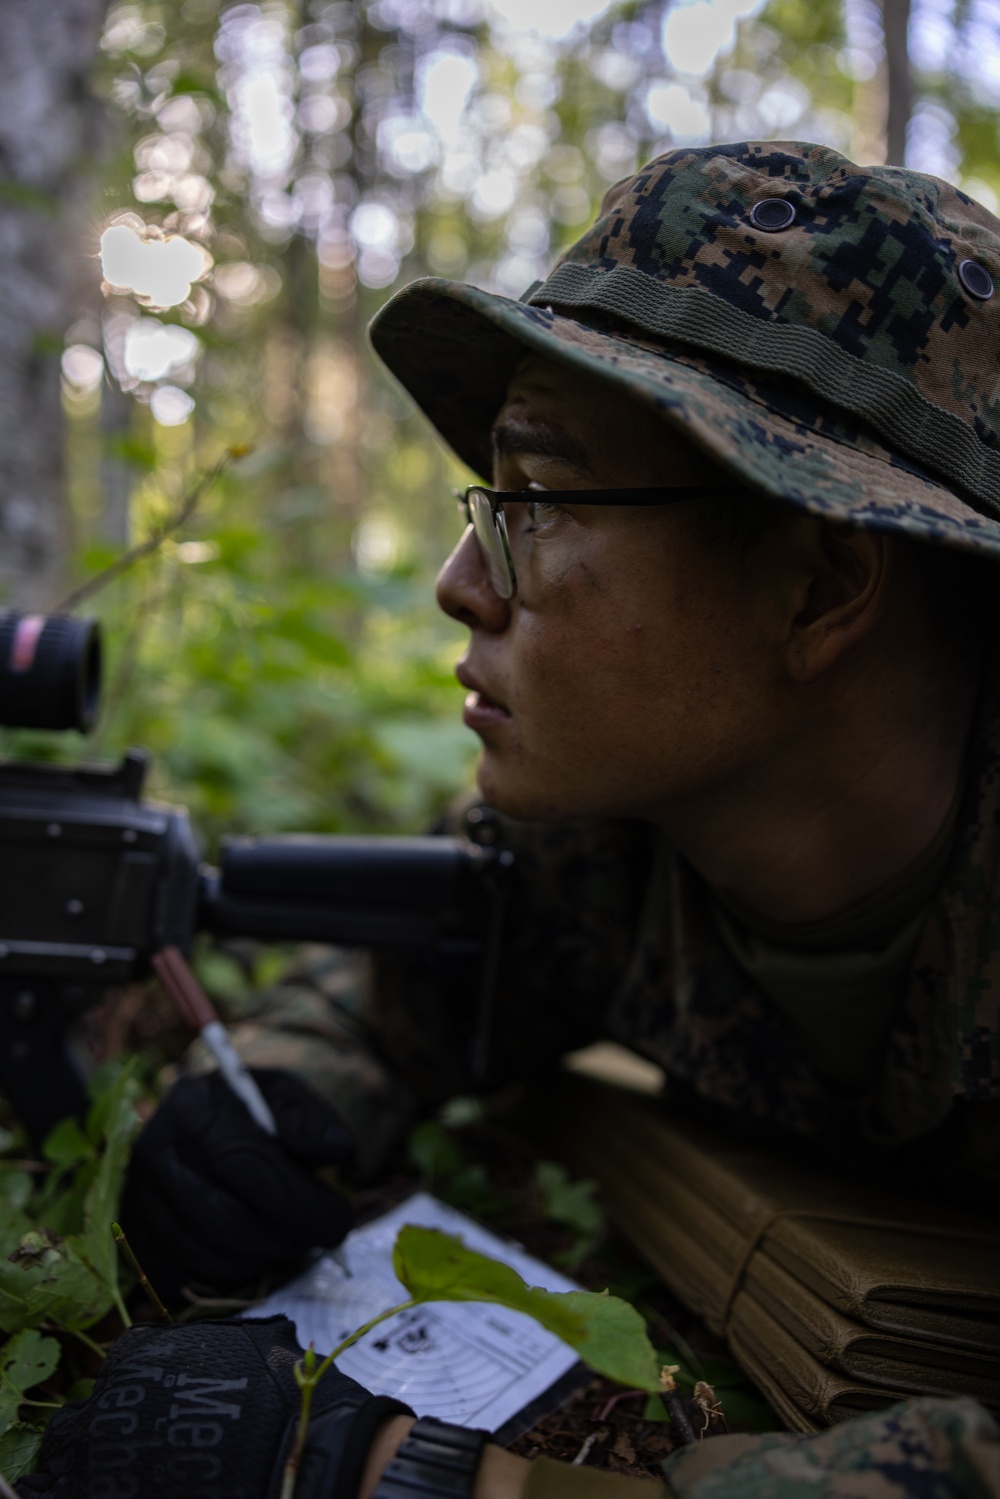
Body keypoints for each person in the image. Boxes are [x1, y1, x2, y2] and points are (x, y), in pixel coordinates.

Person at [25, 140, 1000, 1497]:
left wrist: (448, 1484)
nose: (456, 585)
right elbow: (391, 985)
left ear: (824, 583)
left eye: (537, 504)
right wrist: (278, 1103)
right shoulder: (599, 834)